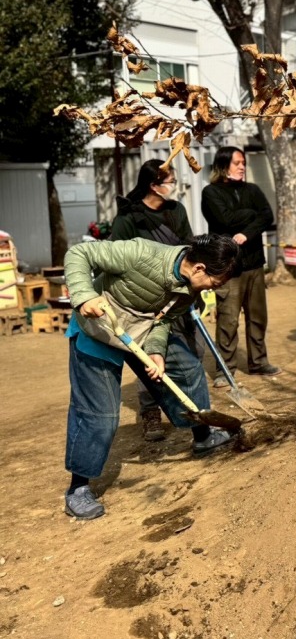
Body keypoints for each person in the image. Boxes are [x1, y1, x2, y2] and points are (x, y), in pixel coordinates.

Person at [63, 234, 241, 520]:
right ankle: (78, 488)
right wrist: (84, 295)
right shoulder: (140, 253)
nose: (212, 290)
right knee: (101, 413)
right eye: (214, 283)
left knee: (187, 371)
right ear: (199, 269)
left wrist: (157, 351)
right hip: (99, 327)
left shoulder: (191, 288)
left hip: (141, 331)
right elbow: (79, 253)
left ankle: (203, 436)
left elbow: (165, 319)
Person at [111, 159, 201, 442]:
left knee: (192, 351)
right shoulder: (129, 219)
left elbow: (188, 245)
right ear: (153, 186)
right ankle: (151, 411)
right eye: (170, 182)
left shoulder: (176, 211)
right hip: (146, 301)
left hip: (181, 291)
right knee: (150, 357)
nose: (174, 187)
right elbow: (117, 259)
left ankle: (188, 410)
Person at [201, 146, 281, 380]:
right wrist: (251, 215)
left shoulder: (253, 190)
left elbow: (267, 216)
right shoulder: (211, 193)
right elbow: (223, 220)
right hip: (228, 267)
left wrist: (246, 234)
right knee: (228, 320)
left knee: (257, 317)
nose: (242, 167)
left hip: (255, 263)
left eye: (243, 162)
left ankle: (258, 362)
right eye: (237, 163)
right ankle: (225, 370)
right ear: (223, 166)